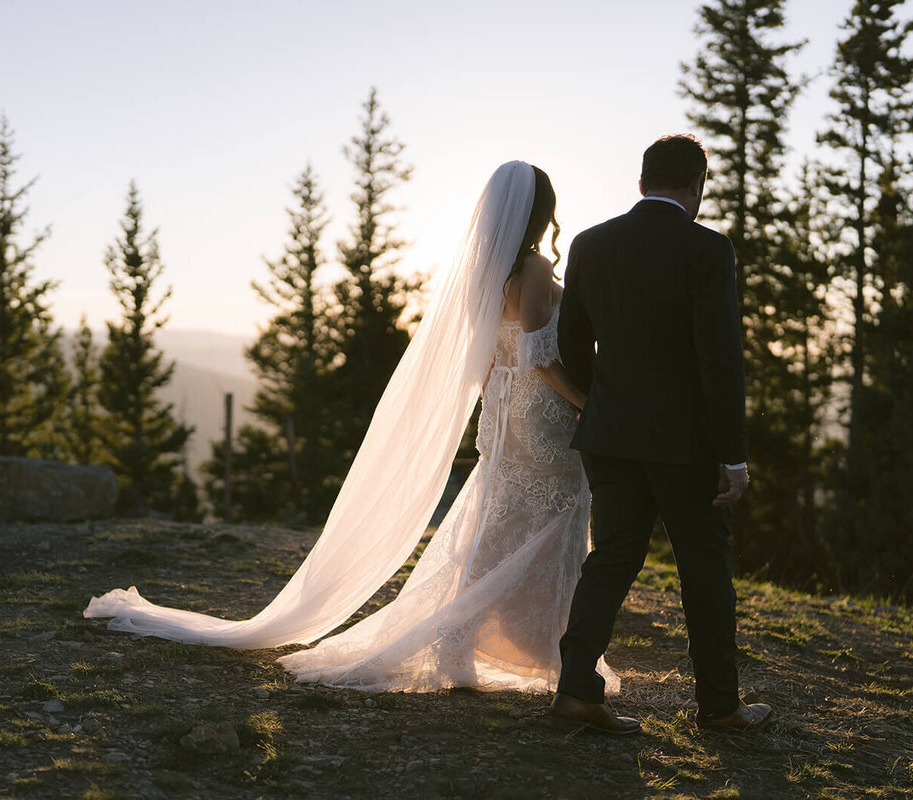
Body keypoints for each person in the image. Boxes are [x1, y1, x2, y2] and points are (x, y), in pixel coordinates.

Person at [85, 161, 616, 694]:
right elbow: (539, 357)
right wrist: (589, 403)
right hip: (540, 411)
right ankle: (552, 653)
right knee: (555, 508)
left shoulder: (484, 273)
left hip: (503, 411)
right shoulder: (536, 270)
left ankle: (469, 644)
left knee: (496, 521)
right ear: (542, 213)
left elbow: (484, 360)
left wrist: (498, 406)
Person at [547, 134, 771, 734]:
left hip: (609, 436)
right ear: (697, 185)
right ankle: (720, 707)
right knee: (703, 567)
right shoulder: (708, 250)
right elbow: (719, 359)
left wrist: (604, 402)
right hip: (687, 445)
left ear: (641, 183)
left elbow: (571, 343)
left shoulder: (590, 244)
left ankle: (574, 692)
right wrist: (735, 456)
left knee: (612, 557)